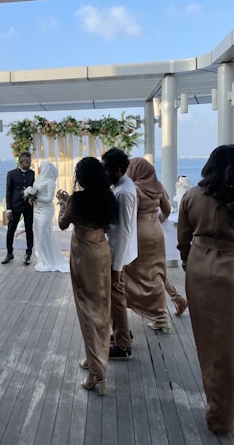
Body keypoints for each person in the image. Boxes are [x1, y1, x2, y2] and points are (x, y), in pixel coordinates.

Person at [177, 145, 234, 435]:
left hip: (201, 269)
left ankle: (219, 414)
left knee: (211, 345)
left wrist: (190, 262)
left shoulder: (191, 195)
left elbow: (183, 239)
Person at [57, 157, 118, 395]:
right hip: (101, 249)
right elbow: (109, 225)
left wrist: (62, 203)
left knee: (87, 310)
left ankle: (97, 374)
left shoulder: (78, 199)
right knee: (102, 306)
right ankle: (95, 358)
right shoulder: (108, 197)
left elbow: (63, 224)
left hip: (83, 253)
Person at [125, 157, 171, 333]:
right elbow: (167, 210)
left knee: (135, 272)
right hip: (156, 231)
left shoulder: (134, 189)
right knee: (156, 272)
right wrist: (158, 220)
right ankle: (161, 317)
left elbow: (129, 215)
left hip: (140, 233)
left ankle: (136, 307)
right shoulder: (158, 186)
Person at [101, 148, 138, 360]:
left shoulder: (123, 192)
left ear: (117, 169)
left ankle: (123, 345)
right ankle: (121, 333)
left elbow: (124, 231)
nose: (104, 173)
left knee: (116, 299)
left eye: (106, 169)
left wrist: (117, 267)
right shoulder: (123, 185)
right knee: (116, 298)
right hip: (118, 252)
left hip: (117, 254)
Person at [32, 161, 69, 273]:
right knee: (38, 234)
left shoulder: (50, 182)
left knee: (43, 234)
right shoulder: (38, 179)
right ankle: (42, 258)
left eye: (41, 167)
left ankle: (48, 261)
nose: (38, 168)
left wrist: (36, 198)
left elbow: (49, 199)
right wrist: (30, 197)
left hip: (46, 211)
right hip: (36, 210)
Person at [2, 151, 35, 265]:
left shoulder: (32, 173)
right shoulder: (11, 174)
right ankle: (9, 253)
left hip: (28, 207)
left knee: (29, 230)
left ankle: (28, 253)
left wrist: (32, 196)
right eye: (27, 162)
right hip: (15, 206)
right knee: (11, 229)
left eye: (30, 162)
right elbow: (8, 192)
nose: (29, 164)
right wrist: (9, 209)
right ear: (21, 162)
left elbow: (33, 188)